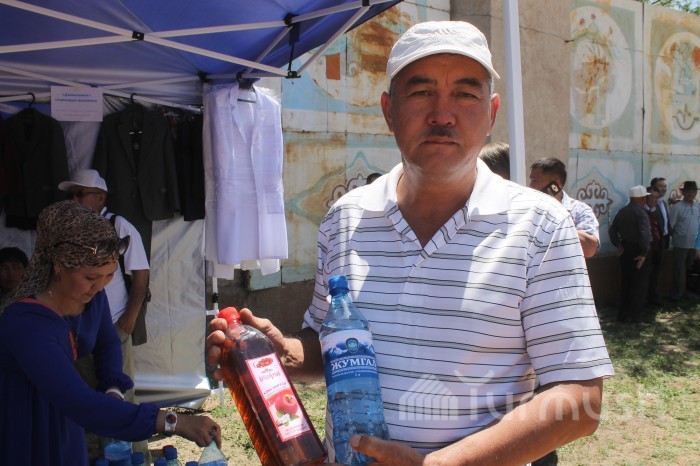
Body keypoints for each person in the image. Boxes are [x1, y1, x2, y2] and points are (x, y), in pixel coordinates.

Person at [208, 21, 613, 465]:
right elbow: (332, 345)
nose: (442, 114)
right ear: (389, 110)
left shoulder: (542, 226)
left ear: (492, 112)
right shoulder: (346, 218)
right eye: (421, 92)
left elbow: (580, 398)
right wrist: (281, 352)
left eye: (466, 94)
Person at [0, 201, 220, 466]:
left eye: (108, 275)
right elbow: (78, 402)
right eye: (91, 277)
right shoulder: (26, 322)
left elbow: (107, 343)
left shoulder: (91, 298)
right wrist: (173, 421)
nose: (99, 286)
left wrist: (113, 387)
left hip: (66, 427)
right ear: (59, 265)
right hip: (30, 429)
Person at [58, 168, 151, 461]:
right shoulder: (66, 231)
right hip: (77, 328)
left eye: (80, 194)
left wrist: (130, 318)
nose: (74, 200)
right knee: (85, 396)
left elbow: (140, 275)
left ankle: (135, 457)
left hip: (114, 324)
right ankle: (96, 457)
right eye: (71, 195)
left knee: (121, 394)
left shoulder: (119, 226)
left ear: (100, 198)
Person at [529, 157, 600, 257]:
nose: (530, 186)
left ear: (555, 184)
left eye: (534, 180)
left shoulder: (580, 210)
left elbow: (589, 249)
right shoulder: (529, 209)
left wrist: (553, 221)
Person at [608, 186, 652, 323]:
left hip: (625, 249)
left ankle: (622, 315)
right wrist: (644, 253)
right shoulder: (641, 213)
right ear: (642, 198)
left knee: (626, 283)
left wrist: (619, 245)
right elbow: (644, 235)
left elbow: (612, 230)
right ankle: (635, 317)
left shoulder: (623, 211)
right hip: (638, 250)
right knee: (639, 285)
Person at [669, 180, 700, 300]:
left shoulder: (697, 206)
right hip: (680, 244)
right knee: (679, 269)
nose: (691, 194)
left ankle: (687, 291)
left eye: (693, 191)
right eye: (688, 191)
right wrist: (677, 237)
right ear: (683, 192)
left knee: (689, 269)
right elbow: (670, 226)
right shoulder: (677, 207)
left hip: (693, 244)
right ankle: (677, 294)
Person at [643, 187, 663, 315]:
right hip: (645, 250)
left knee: (654, 275)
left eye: (656, 197)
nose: (653, 200)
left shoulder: (657, 210)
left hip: (657, 248)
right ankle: (644, 301)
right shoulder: (642, 211)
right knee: (644, 276)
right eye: (651, 197)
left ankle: (652, 298)